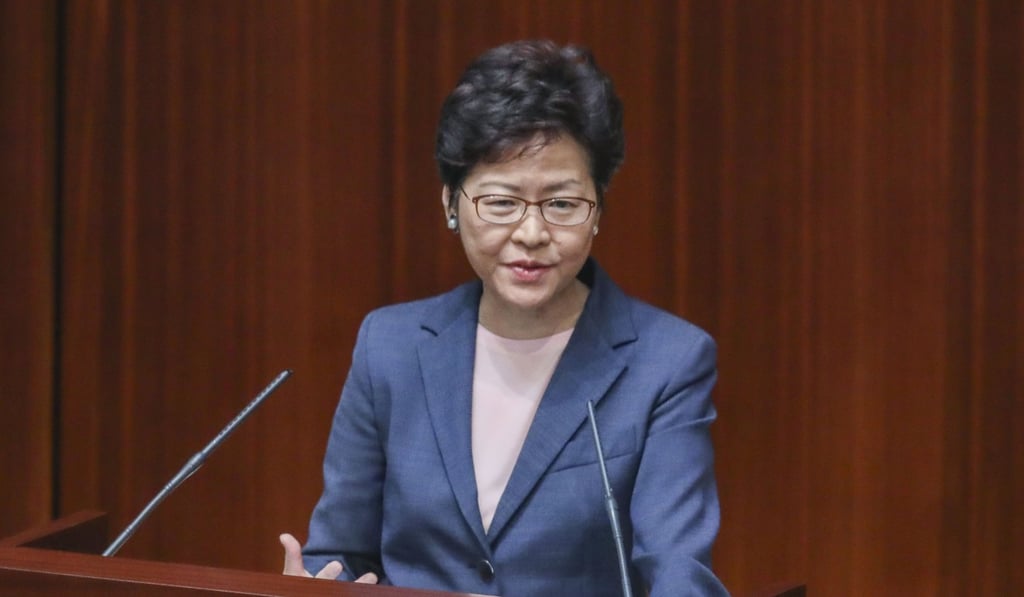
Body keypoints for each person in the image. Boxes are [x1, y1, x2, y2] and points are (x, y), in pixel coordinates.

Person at [280, 39, 728, 596]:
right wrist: (317, 585)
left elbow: (677, 569)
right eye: (500, 202)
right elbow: (342, 553)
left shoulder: (667, 361)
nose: (532, 233)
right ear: (451, 203)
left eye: (562, 204)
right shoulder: (390, 346)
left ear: (598, 211)